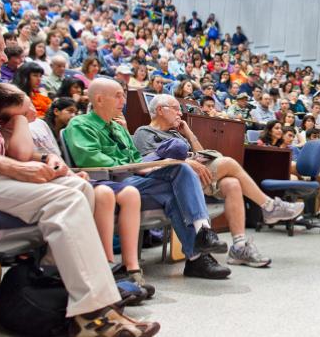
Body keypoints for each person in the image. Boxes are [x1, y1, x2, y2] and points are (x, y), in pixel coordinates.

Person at [0, 21, 161, 336]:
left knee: (81, 187)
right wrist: (19, 168)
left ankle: (57, 277)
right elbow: (8, 160)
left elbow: (7, 150)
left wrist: (41, 160)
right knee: (65, 199)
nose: (4, 56)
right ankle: (95, 314)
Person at [64, 78, 232, 280]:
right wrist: (143, 167)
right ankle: (198, 254)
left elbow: (136, 158)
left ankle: (201, 242)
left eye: (124, 94)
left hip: (136, 178)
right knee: (176, 183)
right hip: (112, 183)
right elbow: (90, 159)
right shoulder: (80, 124)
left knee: (180, 172)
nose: (124, 100)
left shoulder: (119, 129)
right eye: (118, 95)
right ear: (99, 99)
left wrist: (157, 163)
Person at [133, 95, 304, 267]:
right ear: (161, 110)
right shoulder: (145, 132)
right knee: (228, 163)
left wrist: (190, 134)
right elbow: (149, 165)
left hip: (196, 176)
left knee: (232, 184)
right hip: (174, 180)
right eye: (176, 108)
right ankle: (268, 206)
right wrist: (187, 162)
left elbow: (201, 156)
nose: (180, 113)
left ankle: (239, 247)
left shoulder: (177, 133)